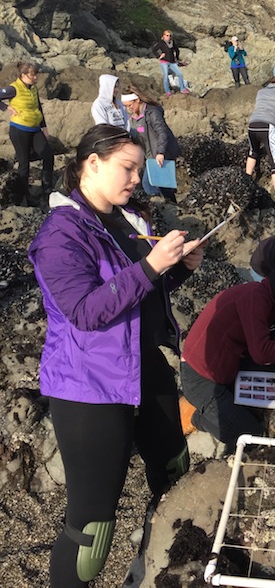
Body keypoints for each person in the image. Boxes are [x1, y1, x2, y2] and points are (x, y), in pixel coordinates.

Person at [28, 124, 203, 588]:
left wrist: (176, 270)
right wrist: (151, 266)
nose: (136, 180)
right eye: (128, 168)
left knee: (175, 475)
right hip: (89, 386)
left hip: (147, 369)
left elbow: (141, 296)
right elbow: (86, 311)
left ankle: (157, 567)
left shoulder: (130, 221)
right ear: (92, 163)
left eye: (140, 170)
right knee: (91, 528)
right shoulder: (59, 235)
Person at [180, 278, 275, 453]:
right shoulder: (254, 300)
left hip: (222, 370)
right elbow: (262, 353)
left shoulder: (263, 296)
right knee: (251, 437)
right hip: (201, 380)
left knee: (268, 379)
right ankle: (195, 417)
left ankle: (211, 409)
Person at [0, 61, 54, 207]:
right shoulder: (14, 88)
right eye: (33, 74)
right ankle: (24, 196)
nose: (36, 77)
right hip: (19, 130)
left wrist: (44, 127)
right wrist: (6, 108)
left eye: (36, 74)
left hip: (35, 129)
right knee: (24, 165)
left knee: (48, 155)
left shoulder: (33, 89)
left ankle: (47, 190)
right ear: (23, 75)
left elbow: (39, 108)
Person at [121, 83, 180, 202]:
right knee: (164, 186)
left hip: (161, 153)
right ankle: (173, 206)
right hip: (148, 155)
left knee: (148, 184)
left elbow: (162, 132)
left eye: (130, 105)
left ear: (137, 100)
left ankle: (160, 206)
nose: (129, 109)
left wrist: (160, 152)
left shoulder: (152, 112)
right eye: (126, 107)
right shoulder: (133, 118)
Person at [246, 71, 275, 203]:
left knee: (253, 153)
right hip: (267, 126)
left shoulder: (261, 91)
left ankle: (245, 181)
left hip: (252, 126)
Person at [151, 30, 190, 97]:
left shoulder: (172, 42)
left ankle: (182, 89)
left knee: (180, 74)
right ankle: (168, 92)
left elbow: (177, 50)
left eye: (170, 35)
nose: (169, 37)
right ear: (163, 36)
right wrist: (159, 56)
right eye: (167, 35)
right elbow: (154, 50)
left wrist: (177, 59)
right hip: (164, 62)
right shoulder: (161, 43)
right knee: (166, 76)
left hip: (172, 62)